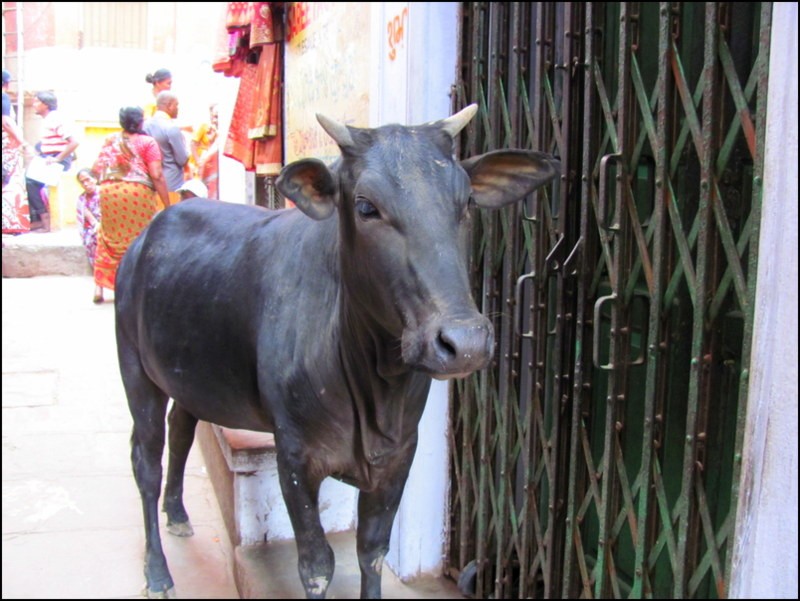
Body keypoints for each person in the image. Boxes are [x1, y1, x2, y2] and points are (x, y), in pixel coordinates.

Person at [91, 106, 170, 297]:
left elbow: (95, 169)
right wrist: (168, 205)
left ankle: (99, 288)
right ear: (141, 121)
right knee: (139, 238)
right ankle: (136, 285)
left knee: (108, 235)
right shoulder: (147, 142)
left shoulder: (110, 140)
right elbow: (157, 174)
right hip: (136, 194)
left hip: (109, 192)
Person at [25, 90, 80, 232]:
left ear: (46, 105)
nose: (34, 104)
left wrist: (57, 159)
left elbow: (73, 142)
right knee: (28, 178)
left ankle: (44, 219)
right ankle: (39, 218)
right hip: (49, 157)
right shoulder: (49, 120)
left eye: (37, 101)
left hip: (57, 160)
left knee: (30, 181)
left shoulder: (54, 118)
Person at [144, 91, 189, 209]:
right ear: (169, 105)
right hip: (171, 185)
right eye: (176, 105)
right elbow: (182, 159)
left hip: (148, 185)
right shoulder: (171, 128)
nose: (177, 109)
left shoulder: (144, 126)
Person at [2, 69, 32, 234]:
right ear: (6, 84)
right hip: (5, 148)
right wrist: (24, 143)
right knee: (9, 184)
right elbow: (6, 122)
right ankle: (9, 224)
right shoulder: (3, 97)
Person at [75, 168, 104, 303]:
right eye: (82, 182)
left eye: (88, 180)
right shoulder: (82, 199)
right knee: (93, 241)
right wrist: (96, 226)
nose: (86, 184)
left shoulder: (105, 193)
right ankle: (99, 286)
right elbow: (90, 219)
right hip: (93, 230)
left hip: (109, 227)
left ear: (95, 179)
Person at [190, 103, 219, 198]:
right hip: (202, 163)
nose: (215, 120)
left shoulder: (220, 130)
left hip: (213, 165)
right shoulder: (204, 127)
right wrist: (198, 160)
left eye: (218, 117)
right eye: (214, 116)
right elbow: (193, 143)